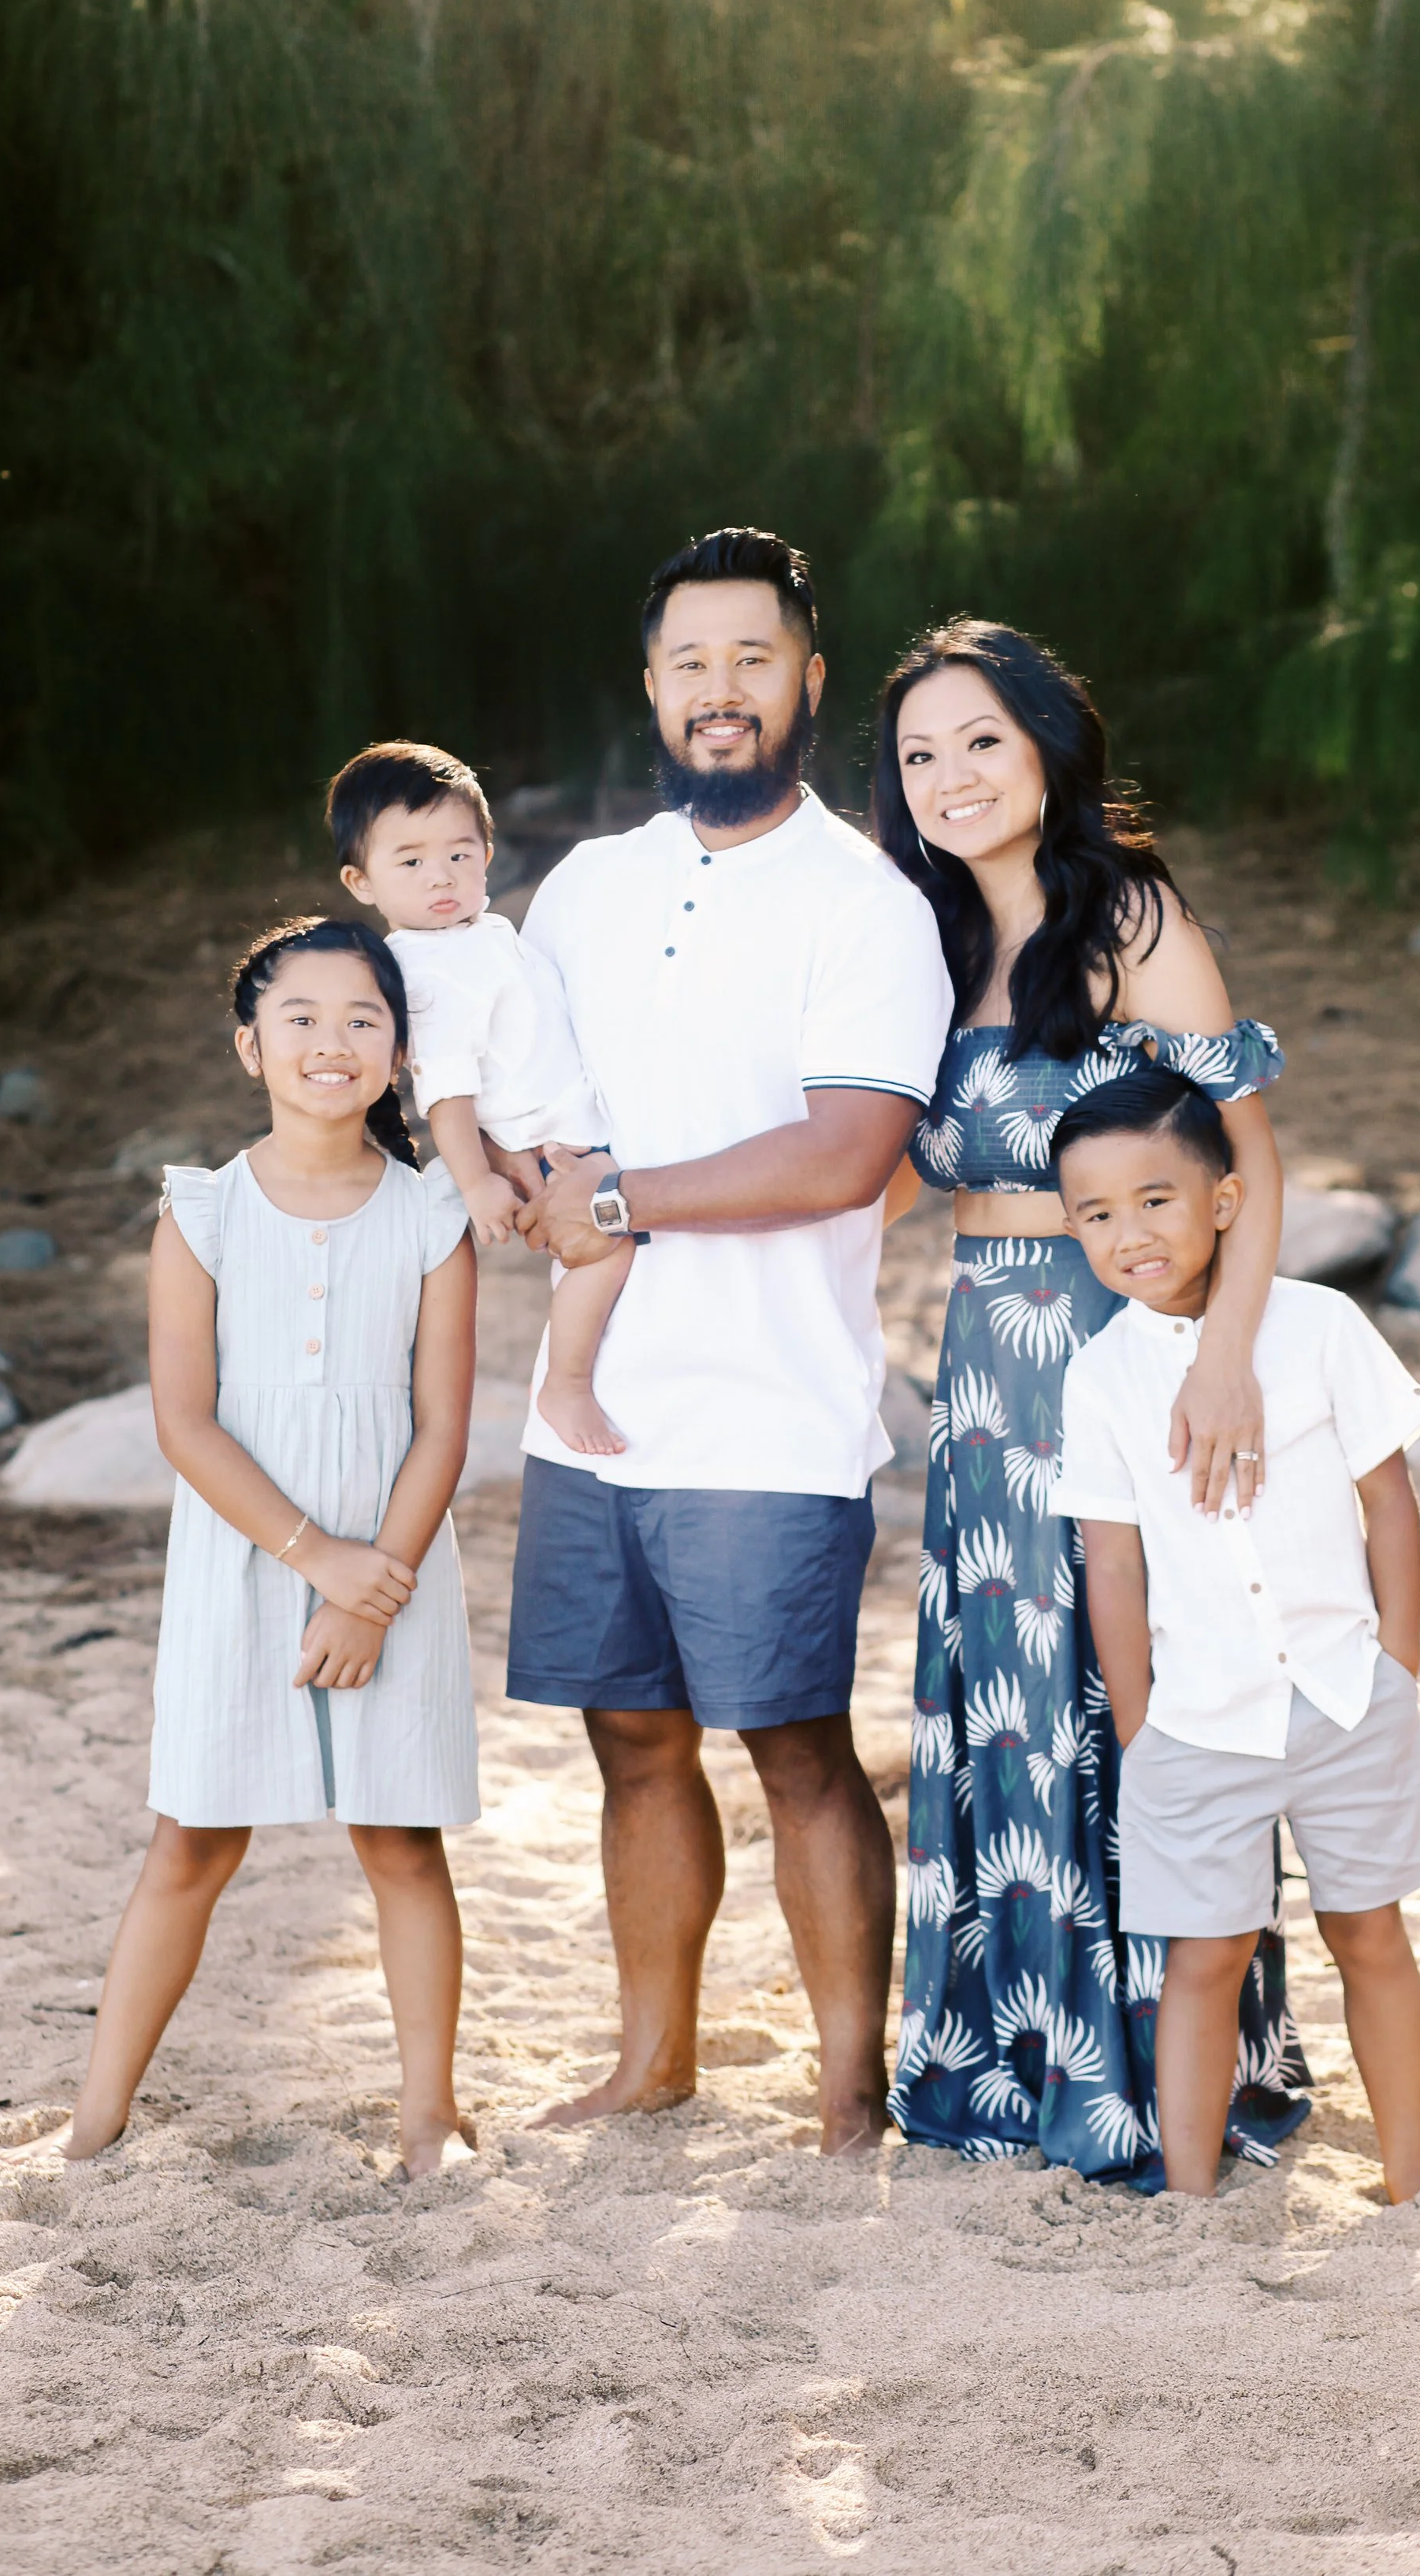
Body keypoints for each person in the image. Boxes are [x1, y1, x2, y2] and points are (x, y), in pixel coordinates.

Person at [508, 526, 955, 2153]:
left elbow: (845, 1155)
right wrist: (511, 1179)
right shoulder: (583, 887)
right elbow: (523, 1105)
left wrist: (613, 1195)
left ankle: (844, 2090)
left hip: (770, 1408)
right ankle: (654, 2057)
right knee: (628, 1740)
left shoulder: (863, 902)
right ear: (649, 685)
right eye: (687, 662)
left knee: (793, 1745)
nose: (718, 692)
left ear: (806, 677)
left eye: (748, 659)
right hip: (593, 1408)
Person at [874, 618, 1310, 2180]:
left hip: (1125, 1351)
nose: (949, 777)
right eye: (918, 753)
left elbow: (1249, 1161)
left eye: (978, 739)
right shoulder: (916, 940)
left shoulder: (1122, 913)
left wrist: (1222, 1354)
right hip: (982, 1361)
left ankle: (1156, 2079)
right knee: (1001, 1691)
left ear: (1049, 744)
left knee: (1132, 1695)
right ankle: (1008, 2072)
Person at [61, 917, 481, 2180]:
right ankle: (95, 2119)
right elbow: (184, 1422)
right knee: (191, 1837)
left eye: (362, 1018)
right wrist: (317, 1559)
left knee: (401, 1838)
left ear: (400, 1050)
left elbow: (445, 1424)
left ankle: (428, 2115)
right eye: (298, 1017)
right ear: (251, 1044)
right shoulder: (203, 1212)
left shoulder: (432, 1216)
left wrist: (371, 1591)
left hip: (394, 1569)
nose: (330, 1042)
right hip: (245, 1559)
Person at [1048, 1064, 1420, 2201]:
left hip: (1343, 1693)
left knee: (1368, 1931)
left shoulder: (1320, 1324)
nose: (1129, 1231)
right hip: (1195, 1720)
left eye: (1155, 1198)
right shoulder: (1101, 1376)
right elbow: (1113, 1566)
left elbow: (1391, 1503)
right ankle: (1190, 2199)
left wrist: (1398, 1667)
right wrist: (1141, 1725)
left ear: (1225, 1199)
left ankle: (1408, 2178)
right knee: (1206, 1958)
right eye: (1096, 1212)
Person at [329, 736, 634, 1456]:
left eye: (460, 854)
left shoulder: (478, 933)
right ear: (360, 881)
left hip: (573, 1126)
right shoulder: (427, 970)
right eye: (410, 862)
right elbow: (446, 1097)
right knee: (607, 1253)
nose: (442, 876)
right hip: (546, 1142)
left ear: (488, 855)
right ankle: (565, 1383)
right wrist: (477, 1183)